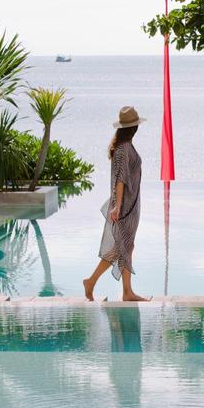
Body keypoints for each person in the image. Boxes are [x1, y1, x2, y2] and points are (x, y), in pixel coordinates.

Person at [83, 106, 149, 302]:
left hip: (130, 206)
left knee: (126, 247)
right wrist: (117, 206)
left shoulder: (125, 145)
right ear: (133, 128)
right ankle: (94, 281)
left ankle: (125, 291)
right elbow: (120, 179)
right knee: (122, 247)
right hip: (124, 208)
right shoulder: (122, 149)